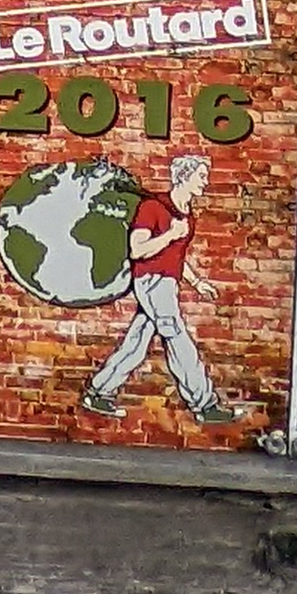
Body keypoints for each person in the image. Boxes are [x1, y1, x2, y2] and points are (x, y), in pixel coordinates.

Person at [81, 150, 246, 424]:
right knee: (178, 339)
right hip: (152, 282)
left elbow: (175, 258)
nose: (205, 182)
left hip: (167, 283)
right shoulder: (153, 208)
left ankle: (98, 392)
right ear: (184, 177)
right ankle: (205, 405)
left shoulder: (186, 215)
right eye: (201, 176)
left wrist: (197, 282)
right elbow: (137, 250)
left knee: (137, 342)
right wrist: (170, 234)